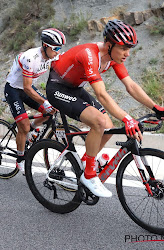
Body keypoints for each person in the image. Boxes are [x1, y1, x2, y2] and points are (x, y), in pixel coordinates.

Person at [46, 19, 164, 197]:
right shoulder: (90, 54)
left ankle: (87, 162)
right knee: (99, 122)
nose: (127, 54)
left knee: (108, 127)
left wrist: (156, 108)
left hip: (75, 88)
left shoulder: (113, 57)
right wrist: (127, 118)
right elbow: (101, 94)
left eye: (129, 49)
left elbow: (130, 86)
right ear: (109, 44)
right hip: (57, 89)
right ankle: (89, 175)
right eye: (123, 48)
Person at [4, 28, 66, 174]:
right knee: (23, 127)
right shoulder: (30, 57)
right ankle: (20, 159)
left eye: (60, 48)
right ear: (45, 45)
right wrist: (45, 102)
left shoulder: (52, 56)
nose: (58, 51)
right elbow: (26, 87)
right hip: (14, 90)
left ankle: (31, 130)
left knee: (49, 112)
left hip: (28, 88)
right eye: (56, 48)